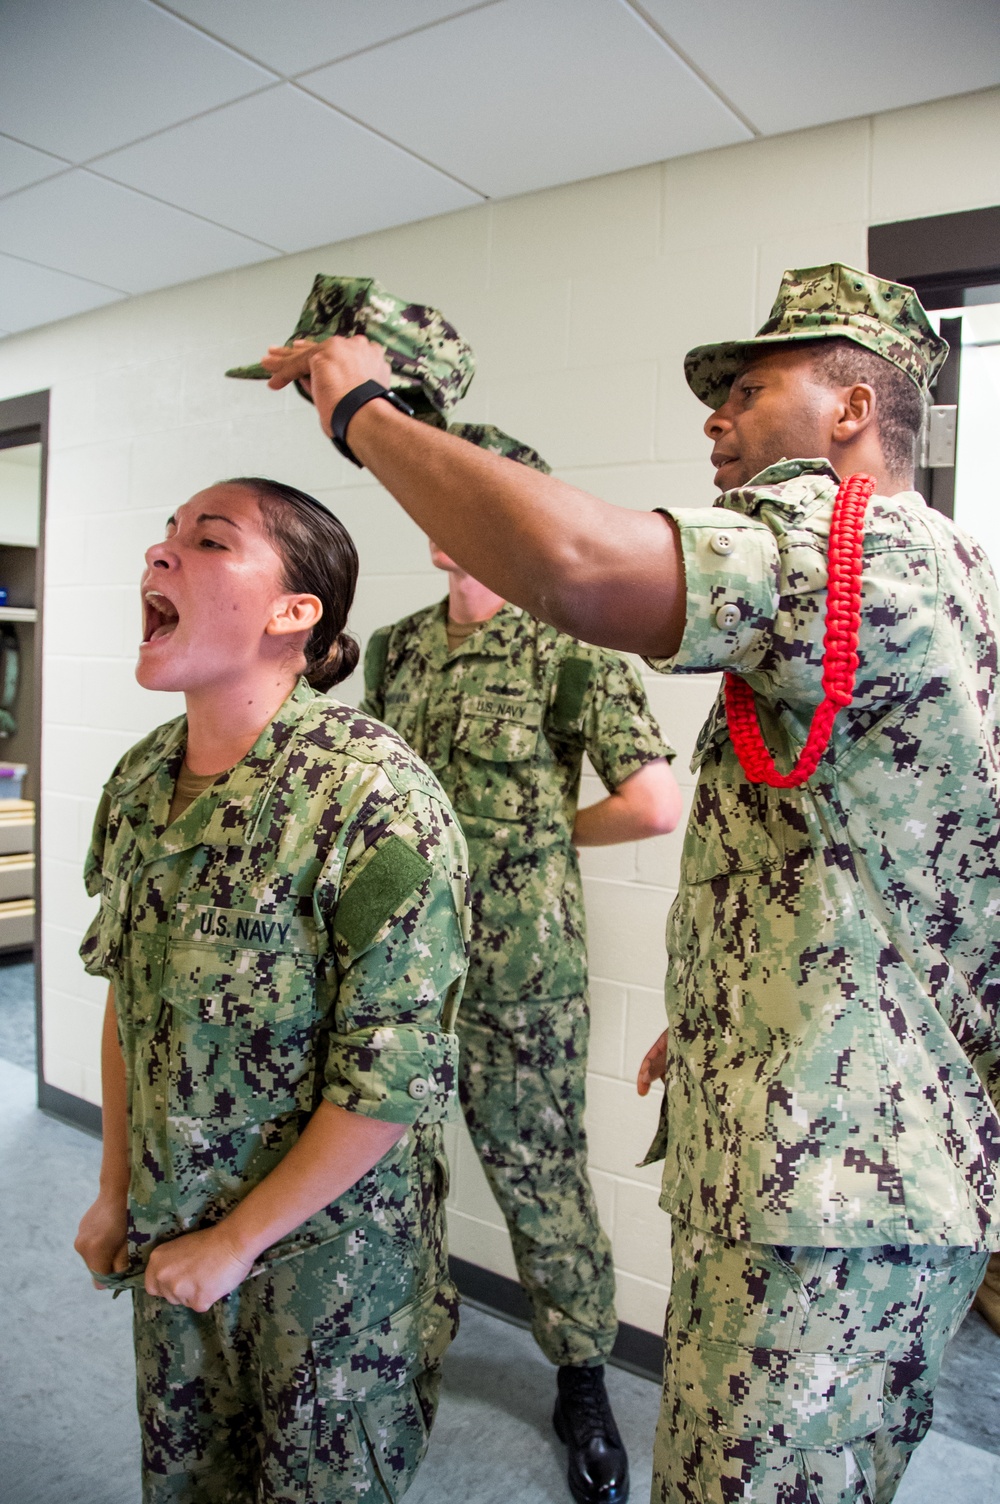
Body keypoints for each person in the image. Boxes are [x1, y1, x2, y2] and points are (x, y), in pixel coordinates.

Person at [259, 262, 1000, 1504]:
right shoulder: (941, 580)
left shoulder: (855, 546)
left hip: (823, 1201)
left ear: (852, 409)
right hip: (848, 1149)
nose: (712, 415)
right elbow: (904, 865)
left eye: (749, 386)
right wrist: (728, 1012)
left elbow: (576, 564)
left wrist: (367, 417)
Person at [73, 477, 470, 1504]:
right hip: (176, 1247)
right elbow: (132, 998)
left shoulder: (373, 795)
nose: (159, 557)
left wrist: (238, 1241)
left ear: (296, 615)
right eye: (162, 539)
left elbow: (392, 1079)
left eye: (206, 542)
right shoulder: (138, 784)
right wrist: (116, 1186)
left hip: (330, 1283)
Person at [361, 421, 681, 1504]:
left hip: (520, 969)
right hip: (401, 960)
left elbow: (653, 800)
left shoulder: (568, 641)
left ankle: (582, 1372)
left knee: (538, 1178)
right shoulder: (396, 649)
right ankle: (390, 1349)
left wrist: (543, 836)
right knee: (382, 1167)